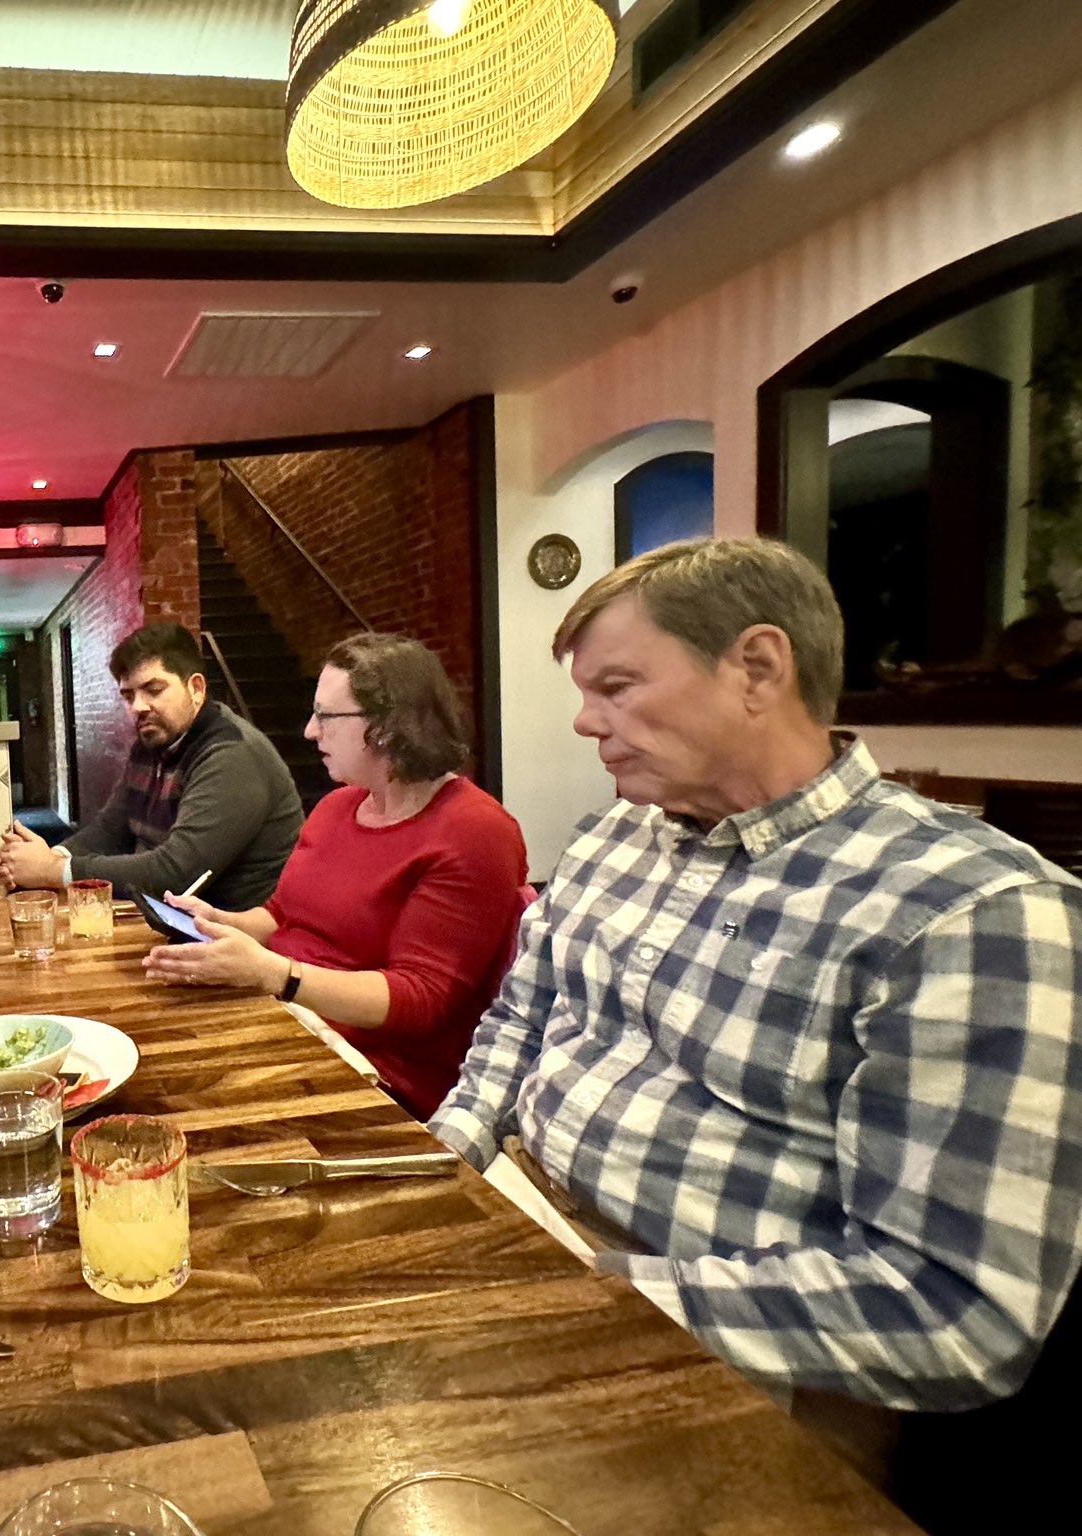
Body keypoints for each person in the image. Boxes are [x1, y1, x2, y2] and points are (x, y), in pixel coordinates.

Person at [428, 538, 1082, 1446]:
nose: (585, 722)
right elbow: (518, 1024)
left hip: (740, 1354)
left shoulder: (969, 909)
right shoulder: (618, 835)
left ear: (759, 668)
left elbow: (955, 1311)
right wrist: (438, 1178)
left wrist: (568, 1294)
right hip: (519, 1220)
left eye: (615, 687)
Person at [142, 635, 528, 1117]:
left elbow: (420, 998)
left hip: (376, 1076)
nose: (309, 731)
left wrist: (274, 974)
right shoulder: (337, 806)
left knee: (174, 1104)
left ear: (385, 726)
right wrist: (218, 920)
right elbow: (283, 915)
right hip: (286, 1020)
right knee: (152, 1056)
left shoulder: (474, 831)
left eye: (325, 716)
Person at [0, 621, 303, 910]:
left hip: (236, 941)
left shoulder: (231, 755)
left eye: (154, 690)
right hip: (170, 923)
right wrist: (42, 859)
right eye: (128, 696)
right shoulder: (151, 745)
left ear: (196, 688)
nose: (138, 707)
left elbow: (175, 874)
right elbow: (110, 830)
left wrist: (52, 871)